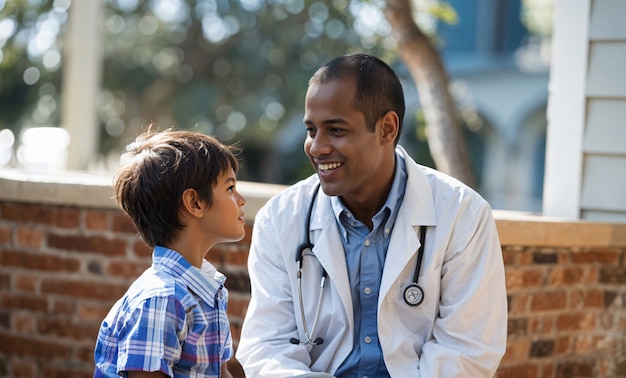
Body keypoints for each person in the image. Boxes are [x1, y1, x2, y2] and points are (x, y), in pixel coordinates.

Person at [236, 53, 507, 377]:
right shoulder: (280, 220)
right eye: (312, 130)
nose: (317, 147)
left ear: (387, 129)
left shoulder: (463, 214)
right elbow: (267, 347)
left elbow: (467, 351)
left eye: (336, 130)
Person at [94, 128, 246, 378]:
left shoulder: (208, 289)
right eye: (230, 189)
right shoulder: (162, 300)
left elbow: (220, 372)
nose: (241, 199)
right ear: (194, 203)